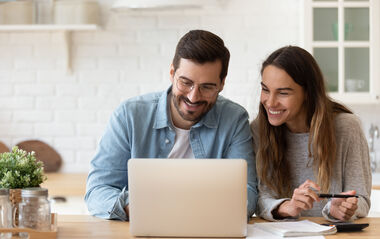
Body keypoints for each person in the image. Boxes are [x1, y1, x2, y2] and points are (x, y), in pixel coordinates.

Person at [85, 29, 258, 221]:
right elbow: (97, 191)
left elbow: (247, 194)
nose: (193, 96)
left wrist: (183, 210)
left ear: (222, 83)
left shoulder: (234, 119)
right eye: (186, 83)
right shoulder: (129, 115)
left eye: (207, 87)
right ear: (171, 73)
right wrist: (135, 207)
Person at [251, 46, 371, 222]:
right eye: (265, 89)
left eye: (283, 93)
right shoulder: (258, 129)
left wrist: (342, 208)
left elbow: (361, 198)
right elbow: (261, 198)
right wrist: (287, 207)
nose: (270, 102)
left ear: (308, 93)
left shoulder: (347, 127)